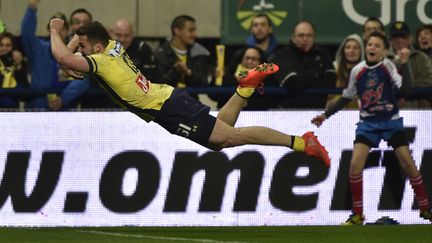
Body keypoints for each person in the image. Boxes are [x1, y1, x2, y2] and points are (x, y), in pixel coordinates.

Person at [49, 19, 331, 168]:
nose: (80, 50)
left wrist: (55, 30)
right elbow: (77, 49)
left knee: (231, 137)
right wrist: (77, 38)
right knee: (221, 138)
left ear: (95, 47)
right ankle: (244, 90)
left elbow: (62, 57)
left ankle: (301, 143)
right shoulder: (110, 47)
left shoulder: (102, 59)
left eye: (83, 46)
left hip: (167, 108)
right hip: (167, 99)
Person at [311, 31, 432, 225]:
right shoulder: (357, 71)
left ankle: (426, 208)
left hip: (390, 123)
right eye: (370, 45)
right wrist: (325, 115)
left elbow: (405, 90)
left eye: (377, 45)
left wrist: (406, 63)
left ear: (385, 50)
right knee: (354, 165)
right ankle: (358, 214)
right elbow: (346, 96)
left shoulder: (388, 66)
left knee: (408, 164)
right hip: (368, 124)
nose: (372, 48)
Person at [20, 0, 89, 110]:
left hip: (66, 108)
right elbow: (27, 34)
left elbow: (84, 80)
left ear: (68, 31)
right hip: (39, 107)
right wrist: (32, 8)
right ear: (49, 30)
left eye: (63, 29)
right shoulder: (39, 48)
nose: (59, 31)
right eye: (54, 29)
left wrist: (63, 99)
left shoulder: (75, 52)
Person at [269, 20, 336, 109]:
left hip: (318, 114)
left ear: (314, 37)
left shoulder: (323, 54)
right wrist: (315, 73)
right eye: (301, 35)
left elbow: (330, 82)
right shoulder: (281, 55)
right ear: (293, 37)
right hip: (288, 113)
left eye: (309, 35)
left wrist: (302, 79)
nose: (305, 39)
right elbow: (292, 84)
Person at [154, 15, 210, 92]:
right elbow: (157, 86)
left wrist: (188, 73)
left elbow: (204, 84)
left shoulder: (200, 53)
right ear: (177, 31)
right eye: (190, 30)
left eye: (195, 30)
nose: (195, 34)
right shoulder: (161, 54)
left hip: (191, 102)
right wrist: (176, 71)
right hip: (168, 102)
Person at [387, 21, 432, 108]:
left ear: (409, 39)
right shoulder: (385, 59)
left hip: (420, 109)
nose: (399, 40)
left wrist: (405, 88)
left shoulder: (421, 57)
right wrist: (396, 60)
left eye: (403, 36)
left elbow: (430, 80)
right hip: (392, 111)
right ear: (391, 40)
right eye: (396, 37)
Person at [328, 34, 364, 109]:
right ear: (343, 50)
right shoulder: (334, 67)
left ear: (361, 51)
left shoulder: (367, 70)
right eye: (348, 47)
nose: (351, 51)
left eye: (356, 48)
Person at [0, 32, 29, 108]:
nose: (4, 48)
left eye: (8, 45)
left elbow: (25, 96)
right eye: (1, 45)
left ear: (13, 49)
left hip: (12, 111)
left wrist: (19, 66)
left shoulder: (18, 67)